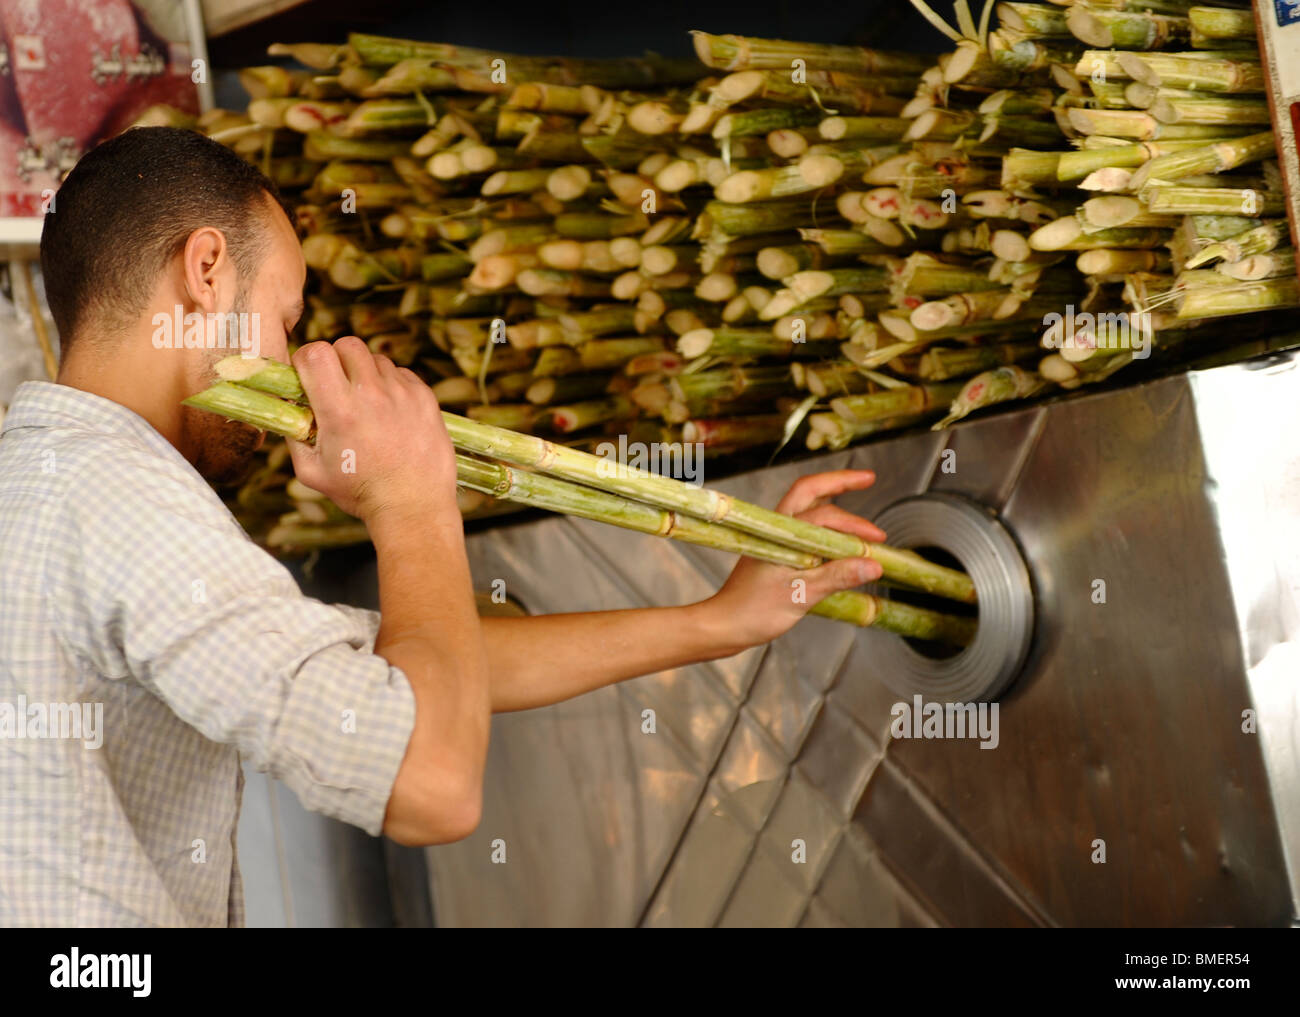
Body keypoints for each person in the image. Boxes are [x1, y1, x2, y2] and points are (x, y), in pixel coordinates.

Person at [0, 127, 887, 927]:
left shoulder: (57, 485)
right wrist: (411, 500)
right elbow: (431, 779)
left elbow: (411, 670)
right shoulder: (120, 500)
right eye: (285, 318)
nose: (292, 360)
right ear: (204, 272)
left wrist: (713, 622)